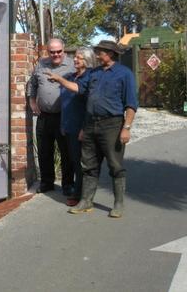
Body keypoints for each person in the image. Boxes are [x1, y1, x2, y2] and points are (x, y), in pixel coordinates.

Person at [46, 40, 138, 218]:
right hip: (90, 125)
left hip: (112, 124)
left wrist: (126, 127)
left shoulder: (124, 74)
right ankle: (86, 201)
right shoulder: (94, 73)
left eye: (100, 52)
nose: (97, 55)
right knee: (88, 165)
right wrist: (60, 80)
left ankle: (118, 203)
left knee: (115, 165)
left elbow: (131, 104)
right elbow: (79, 89)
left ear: (110, 54)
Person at [28, 38, 74, 195]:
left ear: (64, 50)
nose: (56, 55)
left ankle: (68, 184)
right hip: (44, 116)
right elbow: (32, 84)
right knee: (44, 151)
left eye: (59, 51)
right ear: (48, 51)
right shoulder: (41, 64)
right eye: (52, 52)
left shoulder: (72, 65)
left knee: (66, 152)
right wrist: (32, 102)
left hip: (64, 116)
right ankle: (47, 182)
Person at [59, 47, 96, 207]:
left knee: (81, 162)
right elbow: (65, 103)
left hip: (81, 127)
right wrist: (63, 123)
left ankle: (80, 194)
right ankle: (76, 189)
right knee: (72, 160)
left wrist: (84, 128)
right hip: (68, 126)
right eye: (75, 57)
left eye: (79, 58)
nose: (75, 60)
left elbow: (90, 105)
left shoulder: (91, 77)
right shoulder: (71, 76)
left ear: (87, 61)